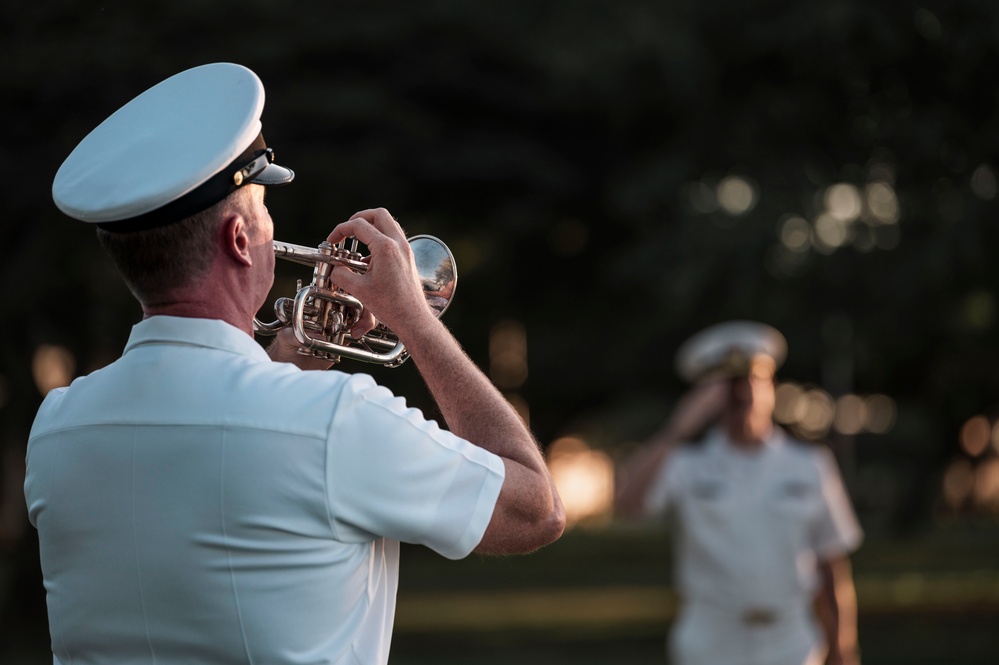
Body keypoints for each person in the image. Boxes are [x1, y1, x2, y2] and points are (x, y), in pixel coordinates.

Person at [25, 62, 565, 665]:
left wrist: (289, 362)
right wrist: (414, 319)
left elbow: (216, 458)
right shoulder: (337, 419)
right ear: (237, 238)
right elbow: (534, 510)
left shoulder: (57, 425)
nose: (273, 230)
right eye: (264, 209)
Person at [616, 321, 863, 665]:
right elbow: (627, 503)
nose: (744, 393)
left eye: (754, 379)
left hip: (791, 643)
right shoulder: (687, 464)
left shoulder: (810, 464)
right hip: (711, 642)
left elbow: (831, 563)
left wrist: (843, 647)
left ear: (773, 387)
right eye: (730, 385)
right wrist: (678, 429)